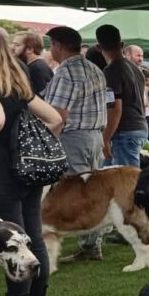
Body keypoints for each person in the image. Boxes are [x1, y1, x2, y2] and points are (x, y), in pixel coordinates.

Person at [0, 28, 64, 296]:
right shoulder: (18, 73)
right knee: (32, 237)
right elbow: (55, 118)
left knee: (13, 240)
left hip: (1, 167)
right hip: (27, 169)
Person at [43, 26, 107, 262]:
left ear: (58, 45)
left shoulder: (66, 72)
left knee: (79, 193)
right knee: (92, 191)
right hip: (93, 136)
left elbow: (58, 115)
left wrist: (48, 143)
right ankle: (91, 243)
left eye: (52, 45)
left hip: (73, 138)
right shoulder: (94, 68)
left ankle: (89, 246)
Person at [97, 24, 149, 168]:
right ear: (122, 44)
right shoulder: (135, 69)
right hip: (138, 127)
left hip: (124, 131)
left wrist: (105, 139)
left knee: (126, 183)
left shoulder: (111, 71)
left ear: (99, 47)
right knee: (113, 177)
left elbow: (115, 108)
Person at [12, 31, 53, 96]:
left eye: (17, 45)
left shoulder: (38, 68)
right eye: (13, 44)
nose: (12, 48)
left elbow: (43, 97)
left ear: (30, 49)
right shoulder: (30, 65)